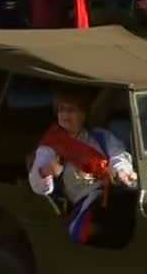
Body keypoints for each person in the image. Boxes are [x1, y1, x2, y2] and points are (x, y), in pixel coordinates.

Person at [28, 86, 137, 244]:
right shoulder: (51, 146)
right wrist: (45, 172)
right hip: (85, 205)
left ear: (83, 114)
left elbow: (118, 154)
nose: (65, 114)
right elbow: (38, 183)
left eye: (71, 110)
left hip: (114, 195)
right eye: (61, 109)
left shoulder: (101, 136)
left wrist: (121, 171)